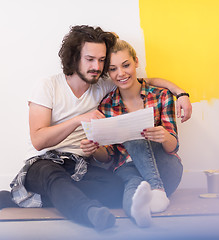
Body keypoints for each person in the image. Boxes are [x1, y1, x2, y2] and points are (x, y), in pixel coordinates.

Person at [0, 25, 192, 231]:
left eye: (101, 61)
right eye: (90, 59)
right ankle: (90, 213)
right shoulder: (47, 86)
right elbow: (38, 141)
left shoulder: (102, 86)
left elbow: (140, 81)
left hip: (81, 166)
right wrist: (78, 120)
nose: (97, 66)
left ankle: (28, 196)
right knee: (52, 176)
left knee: (119, 188)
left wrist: (180, 93)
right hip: (44, 162)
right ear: (74, 58)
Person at [80, 37, 183, 227]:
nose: (121, 73)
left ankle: (157, 189)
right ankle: (139, 212)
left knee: (134, 133)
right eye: (113, 69)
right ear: (108, 73)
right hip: (127, 168)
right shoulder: (107, 105)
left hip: (165, 167)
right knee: (132, 187)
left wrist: (164, 136)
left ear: (136, 62)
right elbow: (109, 157)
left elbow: (173, 146)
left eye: (126, 65)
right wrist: (94, 149)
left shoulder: (161, 95)